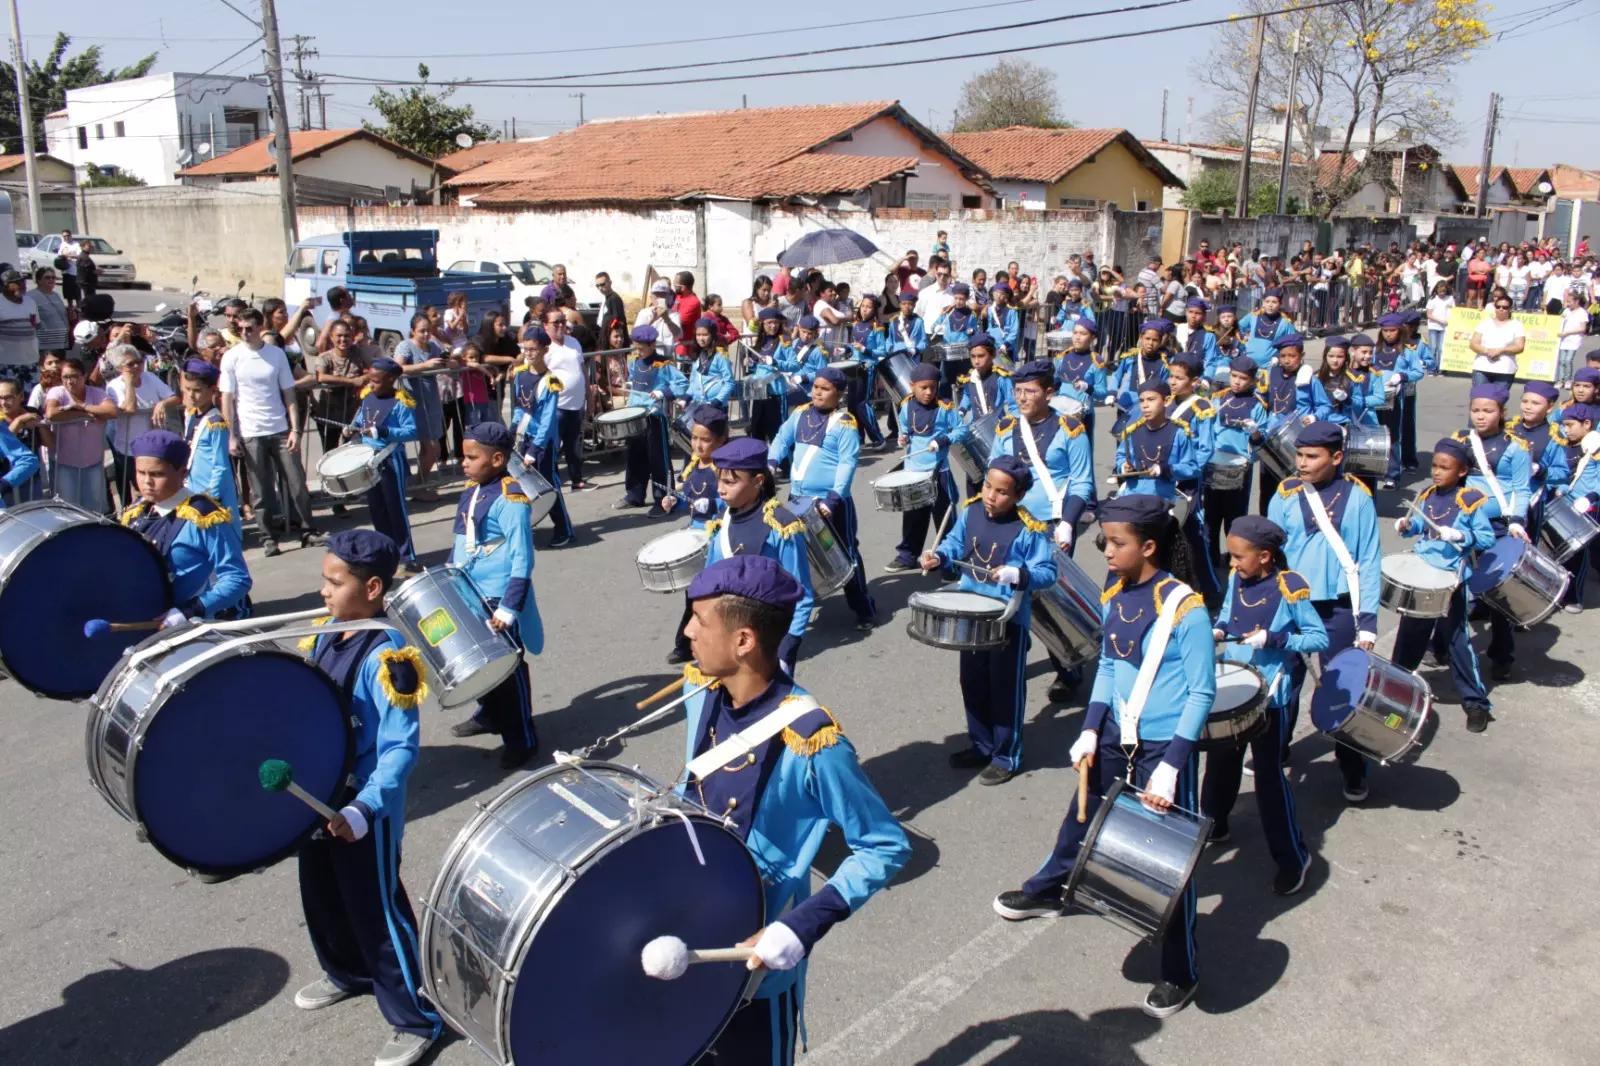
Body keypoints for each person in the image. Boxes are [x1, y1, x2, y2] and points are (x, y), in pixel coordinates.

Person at [676, 554, 907, 1065]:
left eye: (700, 620)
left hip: (756, 954)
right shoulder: (701, 691)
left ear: (744, 641)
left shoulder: (812, 741)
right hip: (690, 930)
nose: (688, 630)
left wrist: (801, 925)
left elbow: (885, 846)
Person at [992, 494, 1212, 1018]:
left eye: (1117, 543)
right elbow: (1110, 669)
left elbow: (1201, 695)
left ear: (1149, 546)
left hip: (1163, 747)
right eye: (1106, 542)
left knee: (1169, 863)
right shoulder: (1116, 594)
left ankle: (1181, 971)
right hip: (1116, 734)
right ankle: (1050, 889)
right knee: (1081, 819)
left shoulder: (1187, 608)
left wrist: (1171, 767)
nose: (1106, 552)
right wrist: (1091, 729)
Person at [292, 529, 439, 1066]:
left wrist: (363, 809)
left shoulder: (390, 660)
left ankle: (415, 1017)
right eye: (324, 580)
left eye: (336, 583)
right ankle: (347, 973)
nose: (324, 592)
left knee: (376, 911)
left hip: (361, 810)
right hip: (315, 797)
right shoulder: (324, 633)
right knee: (322, 894)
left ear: (373, 587)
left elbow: (400, 751)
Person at [1203, 515, 1323, 893]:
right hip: (1234, 686)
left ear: (1266, 556)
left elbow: (1317, 638)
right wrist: (1220, 629)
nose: (1233, 563)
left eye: (1239, 557)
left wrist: (1275, 639)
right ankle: (1215, 821)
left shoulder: (1290, 588)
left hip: (1270, 696)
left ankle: (1294, 857)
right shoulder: (1238, 578)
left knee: (1270, 779)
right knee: (1221, 761)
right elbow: (1228, 614)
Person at [921, 455, 1057, 784]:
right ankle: (981, 744)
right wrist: (938, 555)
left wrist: (1018, 574)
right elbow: (954, 544)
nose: (991, 496)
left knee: (1005, 687)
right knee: (972, 681)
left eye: (1001, 492)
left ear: (1019, 496)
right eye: (987, 487)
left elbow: (1048, 572)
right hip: (971, 612)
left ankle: (1006, 754)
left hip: (1006, 619)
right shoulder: (970, 512)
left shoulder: (1030, 528)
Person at [1269, 421, 1382, 802]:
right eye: (1299, 455)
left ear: (1336, 458)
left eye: (1312, 457)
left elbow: (1368, 559)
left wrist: (1367, 622)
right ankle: (1276, 748)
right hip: (1295, 606)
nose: (1301, 463)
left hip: (1338, 608)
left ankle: (1352, 767)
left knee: (1341, 686)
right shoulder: (1284, 493)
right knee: (1284, 681)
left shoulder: (1359, 497)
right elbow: (1270, 555)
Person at [443, 424, 541, 769]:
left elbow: (522, 558)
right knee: (481, 663)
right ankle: (491, 714)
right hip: (469, 590)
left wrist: (510, 606)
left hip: (497, 597)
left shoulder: (512, 499)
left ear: (497, 459)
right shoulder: (474, 488)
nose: (463, 463)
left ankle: (523, 739)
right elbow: (463, 538)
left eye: (472, 457)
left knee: (508, 668)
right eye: (464, 455)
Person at [1391, 437, 1497, 733]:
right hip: (1423, 576)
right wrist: (1406, 525)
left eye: (1444, 468)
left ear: (1462, 471)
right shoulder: (1428, 493)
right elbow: (1421, 525)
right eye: (1435, 466)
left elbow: (1486, 538)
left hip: (1451, 581)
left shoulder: (1470, 500)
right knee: (1408, 639)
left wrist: (1461, 536)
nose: (1437, 472)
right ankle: (1395, 697)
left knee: (1457, 641)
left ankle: (1476, 703)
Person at [771, 365, 877, 630]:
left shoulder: (844, 424)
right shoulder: (799, 414)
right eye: (816, 387)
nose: (817, 393)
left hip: (831, 503)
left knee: (846, 552)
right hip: (798, 499)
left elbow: (847, 464)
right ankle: (799, 605)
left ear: (839, 394)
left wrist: (833, 499)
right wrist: (771, 462)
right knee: (797, 553)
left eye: (825, 389)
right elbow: (781, 440)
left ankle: (864, 608)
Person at [697, 438, 814, 675]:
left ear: (758, 481)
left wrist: (786, 647)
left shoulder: (781, 526)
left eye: (730, 482)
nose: (720, 489)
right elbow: (711, 579)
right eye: (719, 480)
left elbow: (801, 593)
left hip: (767, 638)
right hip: (727, 632)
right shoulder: (722, 519)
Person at [220, 307, 326, 556]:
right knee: (261, 490)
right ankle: (268, 538)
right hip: (250, 432)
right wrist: (231, 435)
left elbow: (289, 393)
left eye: (249, 328)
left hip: (280, 429)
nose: (245, 333)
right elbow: (227, 398)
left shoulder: (276, 355)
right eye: (241, 329)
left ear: (259, 328)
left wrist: (295, 430)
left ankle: (307, 530)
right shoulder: (231, 357)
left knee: (297, 483)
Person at [120, 429, 250, 622]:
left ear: (183, 473)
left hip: (198, 625)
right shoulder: (137, 511)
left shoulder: (204, 516)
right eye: (141, 472)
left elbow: (237, 579)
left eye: (157, 474)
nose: (147, 482)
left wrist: (191, 610)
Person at [1450, 383, 1532, 682]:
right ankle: (1441, 645)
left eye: (1488, 411)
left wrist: (1516, 520)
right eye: (1475, 410)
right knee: (1453, 588)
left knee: (1501, 595)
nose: (1480, 416)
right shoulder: (1460, 440)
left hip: (1498, 529)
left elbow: (1521, 489)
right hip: (1463, 528)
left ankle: (1502, 655)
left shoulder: (1515, 446)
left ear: (1501, 412)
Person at [885, 363, 966, 573]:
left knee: (945, 517)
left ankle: (950, 563)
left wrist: (944, 439)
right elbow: (906, 430)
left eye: (933, 387)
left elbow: (962, 429)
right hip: (914, 471)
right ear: (912, 386)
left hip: (939, 471)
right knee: (913, 516)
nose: (929, 392)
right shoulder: (906, 406)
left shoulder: (944, 407)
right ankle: (908, 555)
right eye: (923, 388)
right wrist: (903, 439)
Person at [346, 359, 421, 572]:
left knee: (395, 509)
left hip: (389, 459)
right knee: (376, 508)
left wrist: (385, 431)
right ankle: (386, 552)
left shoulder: (401, 403)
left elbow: (412, 431)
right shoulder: (368, 396)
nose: (372, 385)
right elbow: (361, 418)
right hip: (368, 459)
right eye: (370, 380)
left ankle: (407, 556)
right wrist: (351, 428)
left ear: (391, 380)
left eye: (377, 381)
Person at [507, 328, 574, 547]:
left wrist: (535, 449)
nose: (528, 353)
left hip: (543, 442)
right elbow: (520, 407)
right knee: (524, 484)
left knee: (548, 484)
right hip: (524, 436)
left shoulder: (550, 382)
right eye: (525, 348)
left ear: (545, 349)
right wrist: (513, 431)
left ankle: (564, 528)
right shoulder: (520, 374)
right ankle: (527, 524)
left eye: (533, 349)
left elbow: (547, 421)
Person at [613, 325, 687, 511]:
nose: (638, 351)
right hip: (635, 416)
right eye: (636, 347)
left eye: (642, 348)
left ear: (653, 344)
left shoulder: (664, 364)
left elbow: (682, 384)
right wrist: (628, 385)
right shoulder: (634, 363)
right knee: (635, 457)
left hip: (654, 417)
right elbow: (635, 385)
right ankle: (634, 495)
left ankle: (663, 498)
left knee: (658, 460)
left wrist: (663, 392)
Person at [1165, 356, 1220, 600]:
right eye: (1171, 377)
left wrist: (1178, 470)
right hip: (1164, 477)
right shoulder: (1166, 403)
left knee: (1192, 535)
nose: (1173, 383)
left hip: (1187, 481)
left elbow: (1204, 451)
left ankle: (1209, 589)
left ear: (1195, 381)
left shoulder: (1201, 408)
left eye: (1179, 378)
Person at [391, 312, 449, 502]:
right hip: (413, 402)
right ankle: (418, 486)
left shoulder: (433, 346)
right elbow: (397, 368)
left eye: (428, 331)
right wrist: (425, 366)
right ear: (412, 331)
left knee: (432, 448)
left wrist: (450, 361)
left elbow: (443, 361)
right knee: (432, 448)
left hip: (431, 401)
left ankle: (420, 484)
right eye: (421, 331)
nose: (426, 335)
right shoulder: (405, 346)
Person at [43, 357, 114, 512]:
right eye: (66, 377)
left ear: (85, 376)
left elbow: (112, 411)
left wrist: (82, 407)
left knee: (96, 507)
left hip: (93, 461)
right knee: (67, 507)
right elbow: (51, 414)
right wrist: (85, 414)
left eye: (75, 376)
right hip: (64, 462)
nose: (70, 381)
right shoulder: (57, 392)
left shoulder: (96, 393)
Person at [179, 358, 239, 534]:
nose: (191, 395)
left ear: (212, 390)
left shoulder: (216, 423)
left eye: (197, 390)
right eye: (188, 389)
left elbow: (220, 466)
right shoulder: (191, 415)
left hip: (211, 491)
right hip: (193, 487)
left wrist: (211, 497)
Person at [1255, 333, 1314, 511]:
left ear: (1301, 356)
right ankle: (1266, 520)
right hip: (1271, 435)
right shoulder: (1271, 373)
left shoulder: (1308, 377)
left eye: (1292, 356)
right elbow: (1262, 398)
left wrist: (1312, 417)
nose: (1287, 360)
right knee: (1267, 484)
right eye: (1283, 356)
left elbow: (1322, 405)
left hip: (1296, 436)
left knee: (1293, 483)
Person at [1371, 313, 1425, 488]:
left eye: (1392, 330)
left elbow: (1418, 372)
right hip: (1376, 396)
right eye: (1385, 331)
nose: (1388, 334)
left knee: (1393, 435)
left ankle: (1392, 474)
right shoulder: (1375, 349)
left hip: (1395, 398)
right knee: (1375, 433)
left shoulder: (1408, 350)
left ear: (1399, 330)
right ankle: (1376, 467)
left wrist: (1401, 376)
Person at [1510, 381, 1569, 542]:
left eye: (1535, 403)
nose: (1528, 407)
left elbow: (1563, 473)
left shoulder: (1554, 436)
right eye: (1525, 401)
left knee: (1521, 549)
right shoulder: (1509, 427)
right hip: (1502, 495)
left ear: (1549, 408)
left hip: (1531, 500)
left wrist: (1540, 470)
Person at [1110, 320, 1172, 434]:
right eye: (1147, 339)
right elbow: (1116, 375)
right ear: (1141, 338)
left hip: (1148, 408)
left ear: (1160, 342)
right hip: (1126, 407)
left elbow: (1165, 385)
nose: (1150, 343)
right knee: (1123, 442)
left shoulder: (1164, 363)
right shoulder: (1131, 357)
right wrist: (1112, 392)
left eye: (1155, 340)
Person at [845, 294, 887, 448]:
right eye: (863, 306)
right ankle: (859, 437)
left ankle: (878, 438)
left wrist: (865, 349)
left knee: (863, 404)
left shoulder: (878, 327)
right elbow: (852, 347)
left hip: (867, 368)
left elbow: (882, 351)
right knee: (851, 404)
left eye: (868, 307)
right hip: (853, 367)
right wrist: (845, 349)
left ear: (874, 309)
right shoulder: (855, 324)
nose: (864, 310)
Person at [746, 307, 790, 443]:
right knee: (757, 431)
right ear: (762, 324)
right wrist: (751, 364)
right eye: (769, 323)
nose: (773, 326)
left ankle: (782, 464)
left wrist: (775, 362)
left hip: (776, 392)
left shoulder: (784, 341)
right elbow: (759, 368)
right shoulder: (761, 341)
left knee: (776, 433)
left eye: (776, 322)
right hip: (759, 392)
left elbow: (794, 364)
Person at [1469, 296, 1526, 387]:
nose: (1501, 309)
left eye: (1505, 307)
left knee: (1498, 400)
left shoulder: (1517, 325)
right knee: (1479, 399)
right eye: (1498, 307)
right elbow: (1473, 343)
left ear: (1510, 309)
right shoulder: (1485, 323)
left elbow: (1520, 347)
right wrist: (1487, 351)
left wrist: (1500, 350)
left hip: (1505, 369)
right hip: (1482, 368)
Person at [685, 316, 735, 410]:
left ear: (712, 335)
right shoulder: (697, 356)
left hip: (716, 407)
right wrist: (686, 397)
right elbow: (694, 381)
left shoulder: (720, 357)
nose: (701, 338)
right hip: (699, 405)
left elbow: (729, 383)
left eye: (705, 335)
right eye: (698, 335)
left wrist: (717, 401)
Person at [0, 270, 40, 388]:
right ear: (6, 286)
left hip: (30, 362)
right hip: (6, 363)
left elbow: (36, 325)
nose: (23, 285)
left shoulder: (30, 302)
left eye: (23, 281)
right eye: (18, 283)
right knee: (9, 400)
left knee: (31, 400)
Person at [1238, 289, 1294, 368]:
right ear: (1263, 303)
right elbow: (1237, 328)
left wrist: (1278, 356)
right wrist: (1242, 344)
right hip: (1249, 364)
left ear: (1280, 304)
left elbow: (1291, 343)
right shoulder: (1253, 316)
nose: (1270, 305)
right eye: (1267, 301)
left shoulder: (1285, 322)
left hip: (1271, 366)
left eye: (1274, 302)